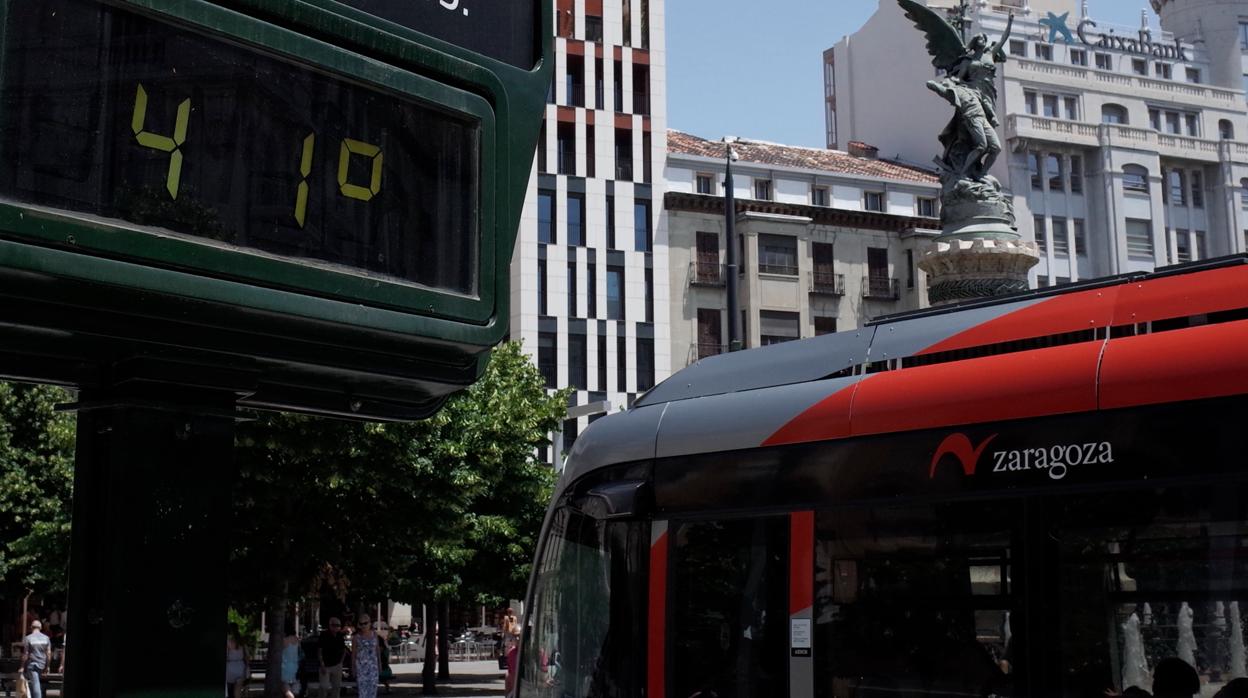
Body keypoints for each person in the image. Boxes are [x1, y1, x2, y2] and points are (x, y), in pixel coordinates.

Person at [352, 614, 381, 698]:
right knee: (363, 692)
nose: (363, 625)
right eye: (361, 624)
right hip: (361, 669)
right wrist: (353, 668)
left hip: (373, 668)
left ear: (370, 623)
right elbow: (353, 654)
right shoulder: (356, 637)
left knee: (372, 691)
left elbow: (377, 650)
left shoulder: (374, 635)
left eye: (365, 623)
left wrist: (380, 664)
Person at [21, 619, 51, 698]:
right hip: (42, 664)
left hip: (32, 665)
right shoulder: (46, 638)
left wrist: (22, 666)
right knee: (35, 683)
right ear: (40, 628)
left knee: (36, 684)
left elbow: (26, 654)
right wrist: (47, 667)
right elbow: (49, 654)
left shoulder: (28, 638)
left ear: (31, 627)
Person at [318, 618, 346, 698]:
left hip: (337, 665)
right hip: (325, 666)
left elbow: (344, 650)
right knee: (324, 687)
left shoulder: (340, 636)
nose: (337, 627)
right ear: (330, 625)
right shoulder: (323, 635)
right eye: (335, 625)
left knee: (336, 687)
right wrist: (322, 664)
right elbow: (319, 651)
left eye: (339, 625)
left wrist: (341, 662)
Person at [225, 625, 248, 698]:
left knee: (229, 690)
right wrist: (247, 667)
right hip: (240, 667)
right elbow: (247, 655)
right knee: (237, 691)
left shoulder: (228, 641)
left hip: (230, 667)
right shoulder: (242, 640)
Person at [281, 621, 301, 698]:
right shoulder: (297, 640)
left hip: (285, 667)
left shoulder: (284, 640)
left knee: (286, 689)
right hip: (295, 666)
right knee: (294, 689)